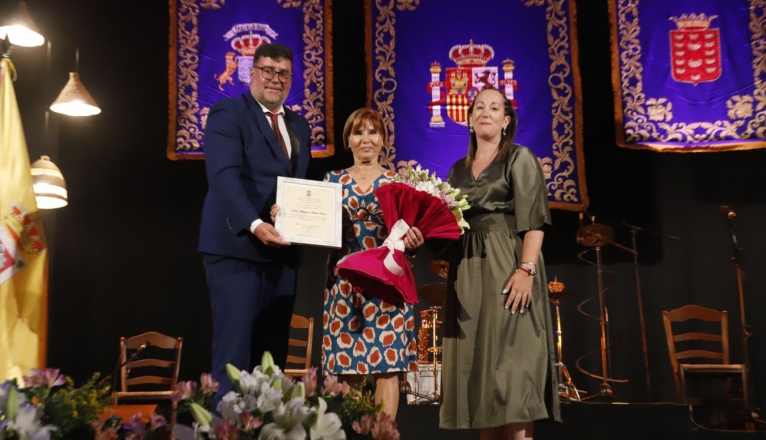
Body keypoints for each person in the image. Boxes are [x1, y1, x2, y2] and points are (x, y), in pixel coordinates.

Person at [439, 88, 561, 439]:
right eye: (479, 107)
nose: (485, 112)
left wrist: (526, 269)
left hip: (509, 264)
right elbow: (446, 223)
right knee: (482, 374)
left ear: (506, 121)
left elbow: (534, 220)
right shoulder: (457, 170)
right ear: (469, 119)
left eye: (494, 108)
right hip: (469, 272)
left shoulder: (519, 158)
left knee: (514, 368)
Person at [199, 43, 312, 406]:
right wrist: (255, 222)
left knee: (273, 361)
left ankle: (268, 427)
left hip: (283, 256)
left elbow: (296, 185)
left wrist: (296, 216)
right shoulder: (228, 113)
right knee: (233, 359)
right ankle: (225, 427)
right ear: (252, 72)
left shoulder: (299, 125)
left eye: (283, 74)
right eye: (268, 71)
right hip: (237, 249)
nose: (275, 79)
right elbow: (223, 177)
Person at [319, 108, 422, 420]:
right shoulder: (331, 180)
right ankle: (355, 435)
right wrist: (287, 216)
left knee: (388, 368)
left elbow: (407, 238)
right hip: (344, 286)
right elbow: (315, 226)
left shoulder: (399, 183)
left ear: (383, 139)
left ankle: (383, 435)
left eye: (373, 132)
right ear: (348, 140)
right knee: (348, 369)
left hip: (386, 286)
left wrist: (414, 242)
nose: (366, 139)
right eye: (358, 132)